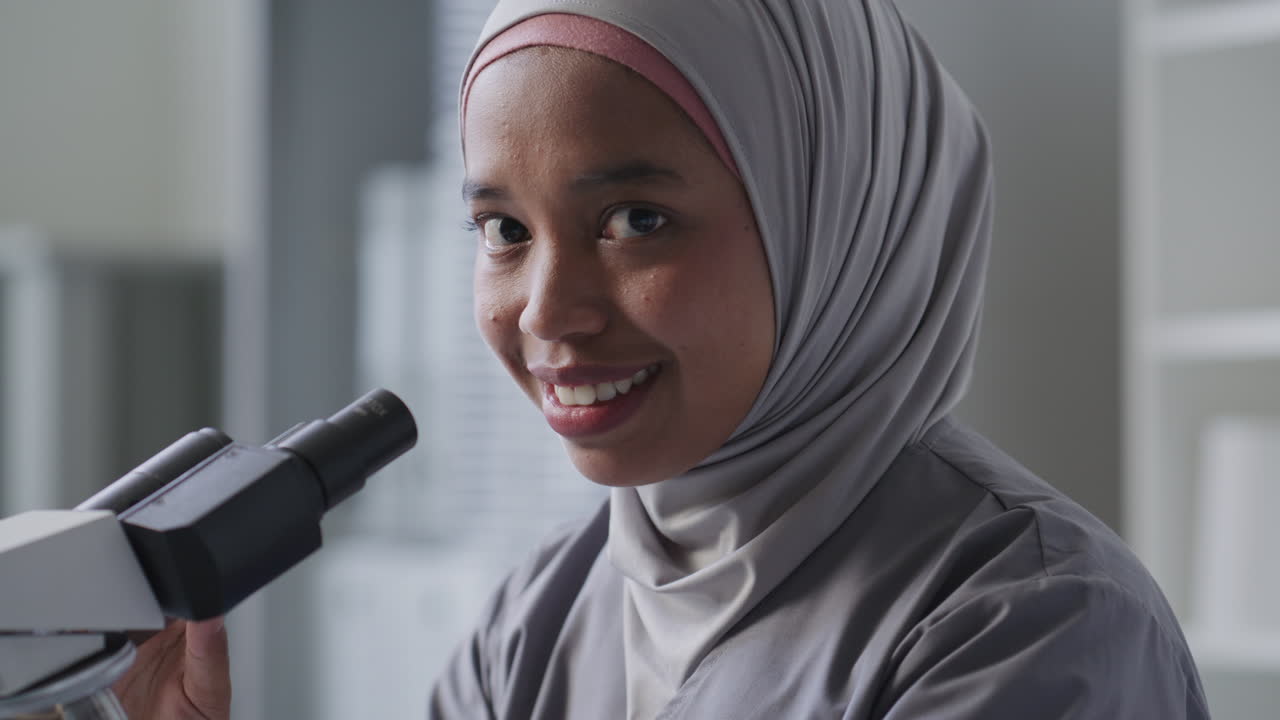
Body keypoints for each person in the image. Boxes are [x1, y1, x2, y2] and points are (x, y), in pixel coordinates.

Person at [118, 1, 1209, 718]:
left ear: (828, 222)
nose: (548, 311)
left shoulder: (1027, 623)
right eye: (503, 229)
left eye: (635, 219)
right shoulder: (540, 619)